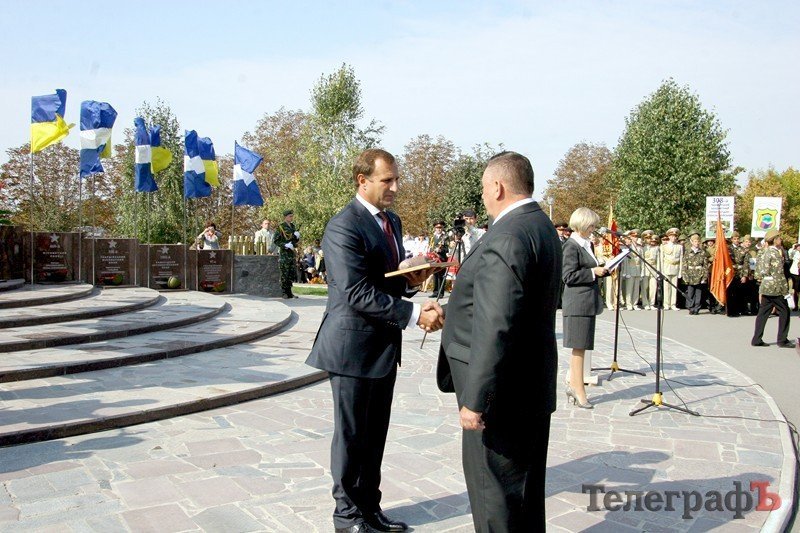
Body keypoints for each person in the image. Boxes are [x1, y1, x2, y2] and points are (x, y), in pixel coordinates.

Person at [306, 148, 443, 533]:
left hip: (382, 346)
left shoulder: (392, 222)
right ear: (362, 181)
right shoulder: (343, 226)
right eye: (387, 181)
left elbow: (384, 281)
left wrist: (410, 280)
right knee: (351, 438)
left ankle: (369, 509)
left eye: (397, 179)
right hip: (351, 348)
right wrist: (415, 316)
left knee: (374, 436)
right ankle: (346, 518)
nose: (395, 188)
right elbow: (355, 292)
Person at [437, 151, 562, 532]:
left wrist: (476, 399)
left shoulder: (507, 236)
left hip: (503, 397)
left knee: (496, 500)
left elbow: (497, 325)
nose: (484, 196)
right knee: (522, 497)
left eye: (483, 188)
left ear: (498, 186)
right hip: (529, 386)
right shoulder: (540, 225)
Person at [561, 207, 607, 409]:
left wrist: (602, 269)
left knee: (582, 348)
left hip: (587, 302)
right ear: (583, 224)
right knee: (578, 348)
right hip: (578, 303)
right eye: (591, 225)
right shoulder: (571, 246)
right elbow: (568, 276)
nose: (593, 229)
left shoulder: (586, 244)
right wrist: (593, 272)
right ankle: (578, 389)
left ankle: (576, 386)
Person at [751, 229, 795, 348]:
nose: (780, 240)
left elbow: (758, 271)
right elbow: (778, 274)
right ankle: (782, 339)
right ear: (774, 240)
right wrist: (786, 291)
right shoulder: (775, 253)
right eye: (779, 238)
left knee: (763, 313)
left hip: (765, 285)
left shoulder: (763, 252)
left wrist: (762, 282)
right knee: (784, 312)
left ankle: (756, 338)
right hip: (775, 287)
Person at [273, 209, 301, 299]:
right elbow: (276, 240)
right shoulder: (281, 227)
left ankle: (290, 292)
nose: (291, 218)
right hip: (284, 253)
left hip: (291, 253)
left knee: (291, 273)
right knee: (284, 273)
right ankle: (284, 292)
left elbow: (294, 240)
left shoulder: (292, 226)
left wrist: (297, 237)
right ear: (285, 217)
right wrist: (285, 245)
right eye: (290, 216)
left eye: (292, 216)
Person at [682, 232, 709, 315]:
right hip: (690, 275)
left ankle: (697, 308)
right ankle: (690, 307)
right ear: (691, 242)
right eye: (695, 241)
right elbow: (684, 265)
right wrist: (685, 276)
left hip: (699, 275)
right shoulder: (687, 252)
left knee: (698, 293)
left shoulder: (702, 253)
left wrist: (704, 277)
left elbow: (705, 266)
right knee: (690, 292)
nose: (697, 243)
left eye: (698, 241)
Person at [660, 228, 683, 310]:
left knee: (674, 287)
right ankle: (666, 304)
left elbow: (681, 259)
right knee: (666, 287)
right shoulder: (663, 246)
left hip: (675, 268)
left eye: (675, 236)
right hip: (667, 267)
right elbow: (661, 259)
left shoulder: (679, 247)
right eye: (672, 236)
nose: (673, 238)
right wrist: (661, 271)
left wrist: (680, 271)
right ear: (669, 237)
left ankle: (673, 304)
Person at [429, 221, 449, 296]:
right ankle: (435, 292)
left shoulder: (445, 237)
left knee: (441, 275)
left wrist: (441, 250)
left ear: (442, 228)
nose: (439, 229)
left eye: (440, 227)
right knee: (435, 274)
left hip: (442, 258)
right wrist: (432, 250)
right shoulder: (432, 237)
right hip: (434, 258)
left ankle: (440, 293)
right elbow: (430, 247)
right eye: (437, 227)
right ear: (434, 228)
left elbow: (447, 248)